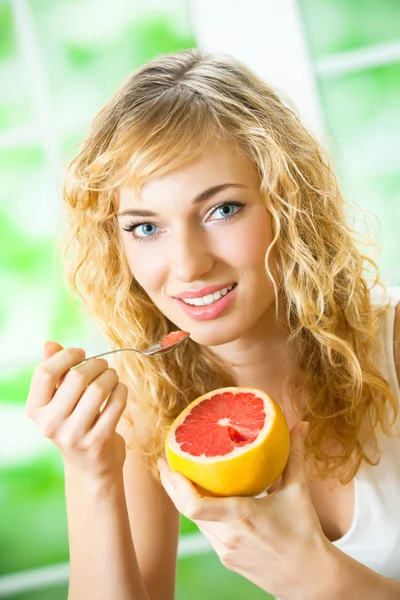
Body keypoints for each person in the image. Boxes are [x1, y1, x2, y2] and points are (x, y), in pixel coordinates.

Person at [25, 49, 400, 600]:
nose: (188, 266)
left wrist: (320, 580)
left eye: (222, 210)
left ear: (287, 206)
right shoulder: (147, 408)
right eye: (146, 227)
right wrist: (91, 475)